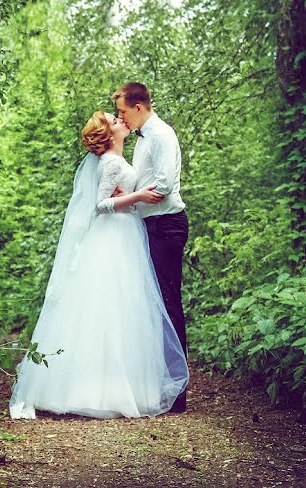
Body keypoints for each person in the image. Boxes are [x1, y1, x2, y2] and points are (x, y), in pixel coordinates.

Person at [8, 111, 189, 419]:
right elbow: (100, 204)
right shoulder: (110, 162)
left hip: (127, 233)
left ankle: (125, 383)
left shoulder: (118, 158)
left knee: (127, 307)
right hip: (113, 236)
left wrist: (132, 197)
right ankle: (97, 388)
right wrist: (138, 196)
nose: (122, 121)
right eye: (115, 120)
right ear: (109, 133)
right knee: (109, 304)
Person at [112, 82, 190, 412]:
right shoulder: (142, 139)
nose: (121, 117)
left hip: (167, 227)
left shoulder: (161, 135)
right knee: (152, 305)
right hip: (149, 225)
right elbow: (143, 184)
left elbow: (162, 187)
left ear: (139, 107)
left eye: (123, 111)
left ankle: (178, 394)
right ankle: (158, 383)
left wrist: (130, 203)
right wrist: (125, 194)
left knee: (168, 304)